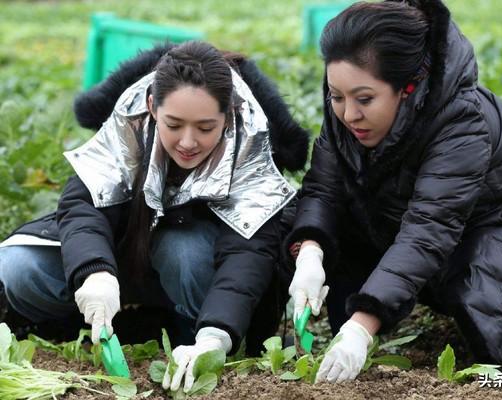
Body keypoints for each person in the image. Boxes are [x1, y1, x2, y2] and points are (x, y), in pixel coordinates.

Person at [285, 0, 502, 383]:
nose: (349, 114)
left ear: (407, 87)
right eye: (336, 97)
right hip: (455, 233)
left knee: (482, 278)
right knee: (313, 220)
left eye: (364, 99)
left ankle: (501, 366)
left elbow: (429, 228)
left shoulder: (460, 121)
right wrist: (310, 253)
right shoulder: (349, 114)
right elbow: (322, 190)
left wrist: (363, 327)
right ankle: (346, 324)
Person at [0, 40, 308, 393]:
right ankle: (84, 322)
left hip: (196, 279)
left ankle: (190, 335)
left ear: (228, 115)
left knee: (183, 250)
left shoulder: (252, 147)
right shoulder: (128, 125)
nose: (188, 142)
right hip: (125, 261)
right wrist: (95, 272)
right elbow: (82, 205)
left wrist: (217, 334)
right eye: (174, 124)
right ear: (152, 107)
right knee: (19, 266)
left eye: (205, 128)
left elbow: (248, 253)